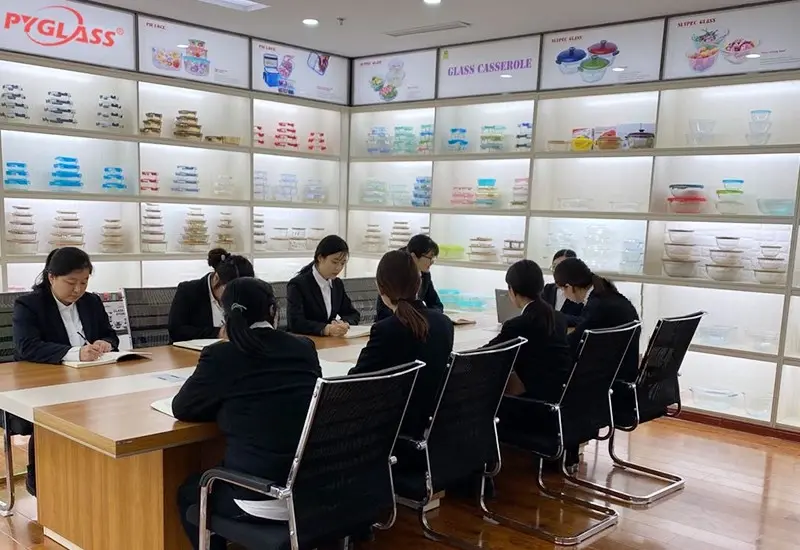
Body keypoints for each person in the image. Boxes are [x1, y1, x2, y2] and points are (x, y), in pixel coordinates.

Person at [174, 277, 322, 550]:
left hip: (258, 493)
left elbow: (183, 407)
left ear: (226, 316)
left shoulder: (221, 355)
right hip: (311, 488)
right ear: (273, 310)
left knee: (190, 492)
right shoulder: (303, 347)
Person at [12, 247, 119, 496]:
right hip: (43, 385)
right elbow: (27, 347)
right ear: (52, 277)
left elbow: (110, 334)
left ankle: (95, 478)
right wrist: (75, 353)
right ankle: (41, 480)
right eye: (71, 282)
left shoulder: (91, 302)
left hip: (90, 381)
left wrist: (105, 343)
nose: (78, 289)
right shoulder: (29, 305)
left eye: (84, 282)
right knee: (56, 417)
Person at [349, 250, 454, 438]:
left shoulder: (386, 330)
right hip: (430, 424)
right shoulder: (444, 323)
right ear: (418, 284)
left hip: (390, 428)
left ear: (380, 288)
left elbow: (355, 383)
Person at [487, 259, 572, 401]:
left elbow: (485, 355)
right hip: (562, 397)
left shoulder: (517, 325)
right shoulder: (558, 318)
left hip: (535, 402)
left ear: (512, 290)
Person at [553, 258, 640, 383]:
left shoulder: (597, 306)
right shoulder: (610, 296)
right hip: (623, 375)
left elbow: (573, 345)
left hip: (606, 381)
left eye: (562, 290)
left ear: (569, 287)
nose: (563, 294)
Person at [168, 248, 254, 342]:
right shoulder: (188, 291)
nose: (236, 297)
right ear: (216, 278)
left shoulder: (247, 295)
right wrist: (218, 333)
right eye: (232, 291)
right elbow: (176, 331)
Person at [287, 235, 360, 336]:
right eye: (334, 262)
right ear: (320, 258)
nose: (339, 268)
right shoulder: (298, 285)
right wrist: (326, 329)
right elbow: (295, 322)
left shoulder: (337, 284)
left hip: (329, 341)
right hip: (305, 340)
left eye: (343, 263)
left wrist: (344, 323)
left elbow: (352, 314)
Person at [375, 234, 443, 322]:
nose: (432, 262)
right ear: (414, 256)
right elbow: (383, 312)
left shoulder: (425, 274)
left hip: (418, 324)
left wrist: (426, 317)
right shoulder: (393, 273)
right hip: (393, 324)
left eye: (434, 258)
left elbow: (436, 305)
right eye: (430, 257)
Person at [542, 249, 584, 327]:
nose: (556, 271)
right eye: (554, 267)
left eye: (561, 267)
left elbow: (584, 320)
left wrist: (556, 317)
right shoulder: (548, 289)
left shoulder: (583, 292)